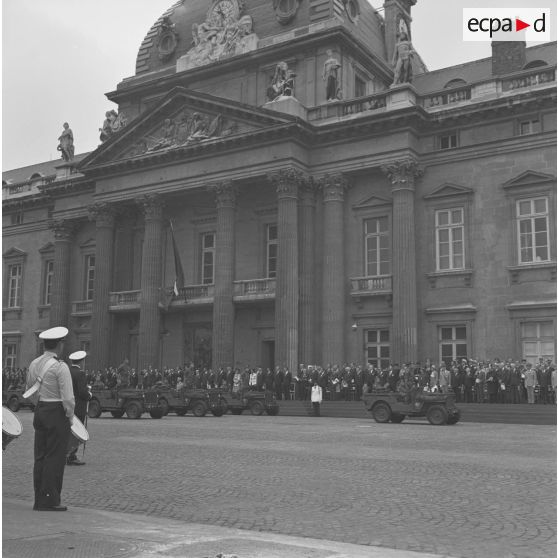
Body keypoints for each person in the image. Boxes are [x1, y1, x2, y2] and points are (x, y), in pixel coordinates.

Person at [25, 326, 75, 511]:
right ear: (60, 345)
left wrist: (39, 404)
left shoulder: (34, 364)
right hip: (56, 412)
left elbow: (29, 389)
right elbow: (68, 399)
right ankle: (50, 499)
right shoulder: (61, 367)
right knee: (55, 457)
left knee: (40, 456)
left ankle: (39, 497)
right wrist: (69, 417)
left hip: (41, 409)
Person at [66, 351, 92, 466]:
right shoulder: (80, 373)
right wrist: (89, 394)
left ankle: (65, 453)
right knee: (77, 432)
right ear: (81, 362)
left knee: (68, 430)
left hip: (68, 406)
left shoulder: (67, 371)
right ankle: (72, 456)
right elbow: (82, 392)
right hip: (79, 406)